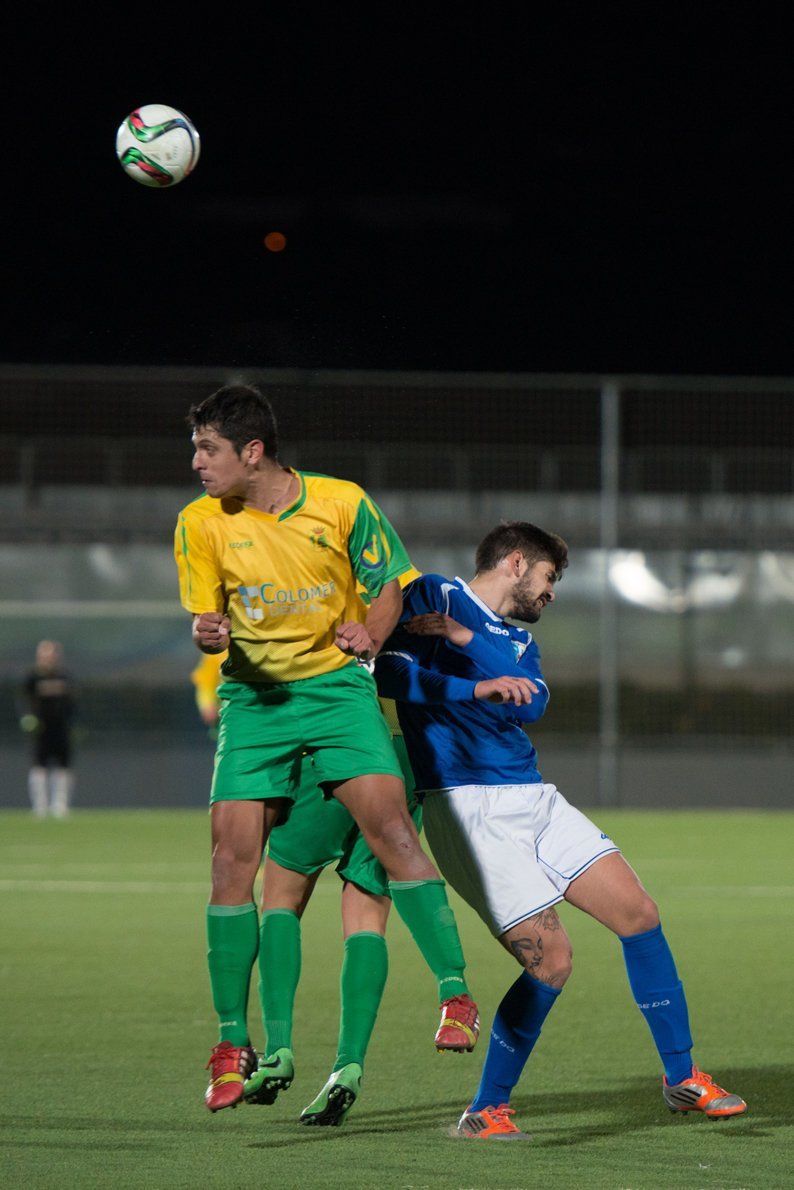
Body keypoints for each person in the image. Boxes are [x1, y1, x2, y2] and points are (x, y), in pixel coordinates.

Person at [375, 520, 747, 1140]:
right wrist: (476, 683)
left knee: (640, 914)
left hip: (534, 797)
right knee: (552, 961)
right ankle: (485, 1109)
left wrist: (467, 640)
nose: (552, 592)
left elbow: (536, 701)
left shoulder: (516, 642)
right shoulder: (434, 593)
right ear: (516, 563)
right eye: (550, 577)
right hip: (465, 807)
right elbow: (389, 674)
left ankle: (682, 1079)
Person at [174, 383, 478, 1114]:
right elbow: (205, 617)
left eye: (207, 449)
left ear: (253, 452)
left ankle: (456, 994)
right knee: (229, 858)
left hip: (338, 695)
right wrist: (207, 633)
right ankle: (230, 1041)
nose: (195, 464)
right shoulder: (199, 523)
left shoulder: (342, 503)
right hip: (254, 703)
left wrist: (369, 634)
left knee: (395, 833)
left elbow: (390, 588)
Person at [21, 640, 76, 819]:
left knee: (63, 767)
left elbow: (72, 703)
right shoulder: (33, 678)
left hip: (60, 728)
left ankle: (60, 805)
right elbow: (23, 700)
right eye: (44, 654)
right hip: (41, 729)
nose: (48, 658)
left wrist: (74, 723)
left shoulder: (64, 677)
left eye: (51, 654)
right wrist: (28, 718)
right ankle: (40, 806)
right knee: (39, 766)